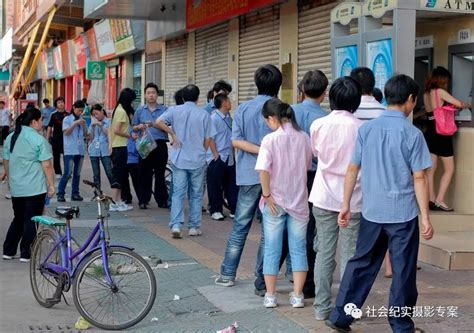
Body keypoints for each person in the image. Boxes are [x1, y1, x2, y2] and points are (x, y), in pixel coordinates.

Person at [325, 74, 434, 333]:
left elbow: (353, 169)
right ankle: (401, 326)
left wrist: (345, 203)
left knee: (360, 264)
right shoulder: (413, 134)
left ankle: (341, 317)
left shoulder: (367, 129)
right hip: (403, 215)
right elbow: (419, 177)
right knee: (403, 271)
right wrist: (426, 217)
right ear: (410, 100)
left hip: (372, 212)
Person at [215, 64, 282, 287]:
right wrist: (267, 149)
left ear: (256, 83)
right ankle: (262, 279)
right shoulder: (282, 108)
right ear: (278, 85)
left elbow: (235, 141)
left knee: (240, 226)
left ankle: (227, 274)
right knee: (269, 230)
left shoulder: (243, 109)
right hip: (274, 177)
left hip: (247, 175)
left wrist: (258, 149)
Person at [309, 76, 363, 321]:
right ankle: (345, 309)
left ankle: (321, 307)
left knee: (325, 253)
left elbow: (316, 154)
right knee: (350, 255)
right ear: (356, 101)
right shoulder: (362, 127)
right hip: (353, 198)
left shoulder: (318, 125)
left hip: (323, 196)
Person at [257, 98, 312, 308]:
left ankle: (270, 296)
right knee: (298, 248)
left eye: (266, 120)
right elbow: (307, 165)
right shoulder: (304, 137)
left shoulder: (270, 140)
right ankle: (297, 295)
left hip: (275, 201)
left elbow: (263, 169)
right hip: (299, 200)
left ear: (272, 118)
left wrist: (267, 194)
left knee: (272, 248)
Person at [290, 69, 329, 298]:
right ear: (324, 93)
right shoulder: (324, 118)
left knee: (284, 225)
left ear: (302, 89)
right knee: (311, 228)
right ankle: (307, 284)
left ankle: (267, 280)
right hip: (314, 177)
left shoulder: (289, 112)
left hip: (288, 176)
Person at [156, 84, 211, 238]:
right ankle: (194, 227)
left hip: (179, 158)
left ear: (183, 97)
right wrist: (202, 151)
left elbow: (158, 122)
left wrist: (172, 133)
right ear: (197, 98)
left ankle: (175, 225)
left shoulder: (174, 110)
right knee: (196, 194)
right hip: (198, 159)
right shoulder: (204, 114)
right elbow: (208, 139)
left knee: (178, 193)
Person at [2, 107, 55, 262]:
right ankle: (26, 253)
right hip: (34, 187)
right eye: (41, 120)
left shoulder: (11, 137)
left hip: (17, 187)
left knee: (18, 218)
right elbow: (47, 165)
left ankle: (8, 250)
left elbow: (6, 161)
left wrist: (10, 181)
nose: (42, 123)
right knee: (31, 219)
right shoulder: (39, 139)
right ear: (34, 122)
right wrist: (51, 186)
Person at [423, 66, 470, 212]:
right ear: (442, 79)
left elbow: (431, 112)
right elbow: (459, 104)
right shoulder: (440, 92)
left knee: (431, 169)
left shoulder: (427, 93)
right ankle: (440, 200)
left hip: (430, 130)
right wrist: (468, 104)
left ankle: (430, 199)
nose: (447, 83)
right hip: (441, 133)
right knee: (449, 168)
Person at [132, 83, 169, 209]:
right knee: (144, 173)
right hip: (145, 143)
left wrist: (153, 124)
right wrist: (138, 127)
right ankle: (143, 200)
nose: (151, 95)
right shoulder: (140, 110)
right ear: (145, 95)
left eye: (153, 92)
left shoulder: (165, 110)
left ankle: (162, 200)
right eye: (148, 93)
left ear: (157, 94)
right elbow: (134, 127)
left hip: (160, 143)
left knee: (160, 173)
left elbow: (169, 126)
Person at [207, 93, 238, 221]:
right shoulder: (214, 118)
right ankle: (215, 210)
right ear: (224, 102)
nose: (230, 102)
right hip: (218, 157)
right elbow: (210, 137)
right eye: (229, 100)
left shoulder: (228, 117)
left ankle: (233, 209)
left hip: (229, 156)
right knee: (215, 185)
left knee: (231, 184)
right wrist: (216, 155)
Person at [109, 88, 136, 212]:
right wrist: (130, 135)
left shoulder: (118, 109)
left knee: (120, 175)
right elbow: (116, 130)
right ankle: (114, 202)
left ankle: (118, 201)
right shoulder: (121, 112)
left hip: (118, 146)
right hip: (120, 147)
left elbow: (111, 129)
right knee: (118, 175)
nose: (132, 104)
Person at [57, 100, 88, 202]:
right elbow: (66, 132)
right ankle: (60, 193)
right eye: (79, 110)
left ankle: (75, 194)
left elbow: (85, 134)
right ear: (74, 108)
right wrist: (75, 123)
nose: (80, 112)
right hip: (70, 150)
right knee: (67, 173)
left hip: (80, 150)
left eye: (82, 111)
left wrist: (83, 125)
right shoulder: (67, 119)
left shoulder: (81, 119)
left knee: (77, 173)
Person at [88, 104, 118, 191]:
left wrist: (101, 125)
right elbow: (90, 137)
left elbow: (109, 134)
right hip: (94, 150)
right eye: (94, 115)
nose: (96, 116)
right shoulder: (93, 123)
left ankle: (115, 192)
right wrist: (92, 128)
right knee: (96, 174)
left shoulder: (109, 121)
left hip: (105, 150)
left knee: (109, 172)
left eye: (96, 113)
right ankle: (97, 192)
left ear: (102, 111)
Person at [47, 97, 66, 178]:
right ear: (56, 105)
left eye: (62, 102)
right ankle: (58, 172)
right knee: (56, 156)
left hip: (66, 139)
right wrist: (47, 138)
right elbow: (50, 127)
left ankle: (67, 172)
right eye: (59, 102)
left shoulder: (68, 114)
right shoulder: (53, 115)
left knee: (67, 156)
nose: (61, 104)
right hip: (56, 138)